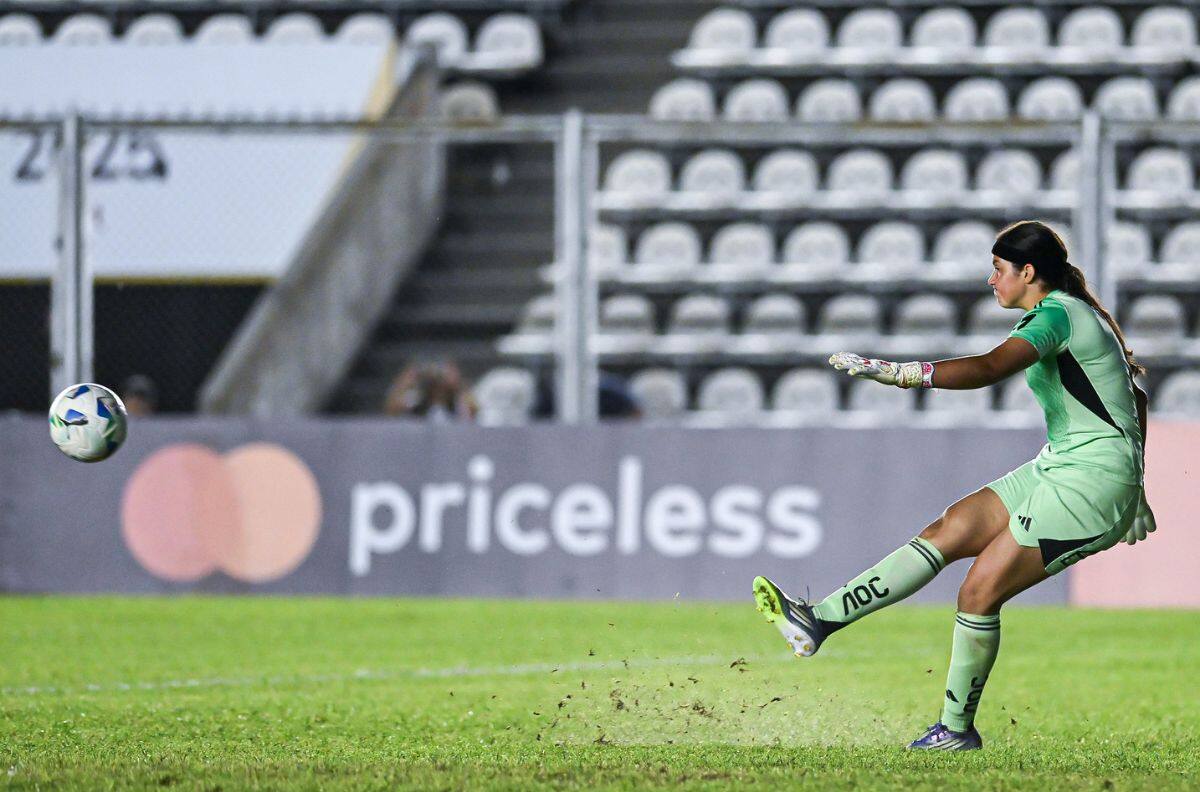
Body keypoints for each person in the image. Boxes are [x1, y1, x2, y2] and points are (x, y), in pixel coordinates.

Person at [752, 220, 1157, 751]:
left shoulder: (1059, 314)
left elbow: (990, 367)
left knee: (978, 592)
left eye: (997, 270)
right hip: (1063, 465)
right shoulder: (1064, 314)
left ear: (1027, 272)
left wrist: (904, 375)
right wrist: (1139, 483)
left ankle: (954, 731)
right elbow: (1138, 399)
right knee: (950, 528)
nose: (991, 281)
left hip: (1090, 482)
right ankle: (819, 621)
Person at [383, 362, 477, 422]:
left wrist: (458, 383)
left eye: (441, 384)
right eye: (435, 387)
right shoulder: (416, 398)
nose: (438, 389)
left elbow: (473, 411)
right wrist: (406, 380)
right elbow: (391, 409)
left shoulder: (458, 402)